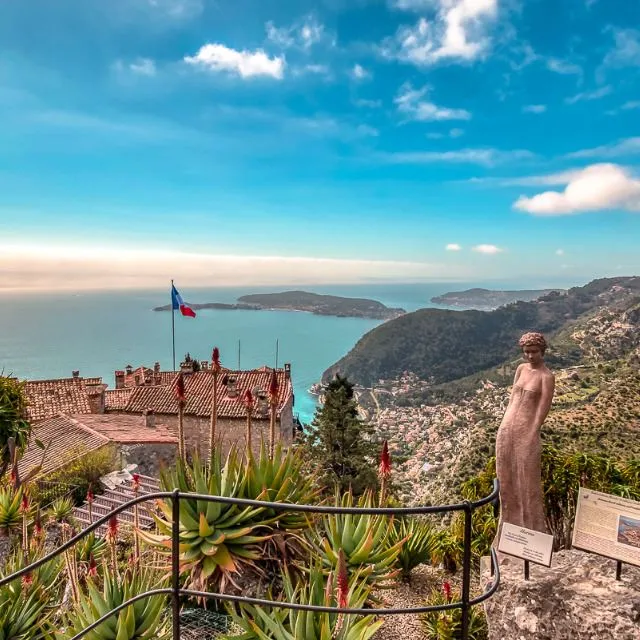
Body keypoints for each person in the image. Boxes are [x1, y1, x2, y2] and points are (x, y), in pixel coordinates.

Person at [495, 332, 555, 535]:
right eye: (527, 352)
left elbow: (542, 410)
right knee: (506, 477)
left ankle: (531, 530)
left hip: (526, 431)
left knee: (527, 481)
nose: (530, 356)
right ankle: (508, 528)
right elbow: (512, 399)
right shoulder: (520, 369)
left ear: (542, 351)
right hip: (507, 427)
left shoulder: (546, 377)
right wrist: (504, 426)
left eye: (534, 352)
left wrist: (532, 432)